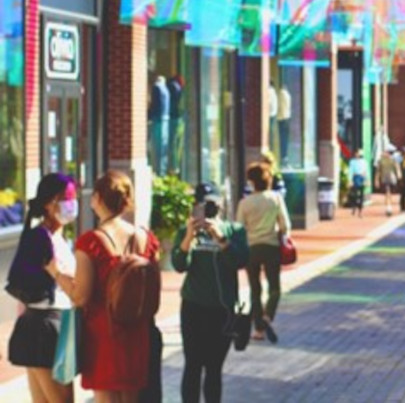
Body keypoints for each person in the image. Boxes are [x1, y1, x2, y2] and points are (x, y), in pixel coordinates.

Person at [48, 170, 161, 402]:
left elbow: (81, 297)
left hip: (104, 334)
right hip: (138, 332)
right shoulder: (146, 238)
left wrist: (56, 273)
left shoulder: (90, 242)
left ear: (97, 198)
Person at [172, 183, 249, 403]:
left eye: (213, 204)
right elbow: (179, 264)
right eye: (203, 204)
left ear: (222, 205)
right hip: (193, 306)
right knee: (193, 364)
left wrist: (221, 239)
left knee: (214, 367)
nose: (208, 209)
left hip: (222, 308)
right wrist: (189, 237)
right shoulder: (186, 232)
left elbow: (241, 260)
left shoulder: (234, 231)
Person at [7, 173, 77, 403]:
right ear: (49, 203)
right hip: (44, 327)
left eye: (73, 197)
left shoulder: (58, 237)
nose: (72, 203)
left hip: (52, 324)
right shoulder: (40, 237)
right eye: (66, 198)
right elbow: (24, 283)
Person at [236, 162, 291, 343]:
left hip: (251, 248)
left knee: (255, 289)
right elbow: (285, 225)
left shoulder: (244, 203)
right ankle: (268, 316)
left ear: (251, 181)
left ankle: (258, 329)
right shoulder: (275, 198)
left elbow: (239, 228)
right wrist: (283, 235)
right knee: (274, 287)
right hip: (271, 246)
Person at [376, 146, 400, 216]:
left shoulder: (393, 160)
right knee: (387, 192)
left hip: (392, 178)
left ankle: (389, 206)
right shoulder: (380, 161)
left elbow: (397, 168)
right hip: (384, 178)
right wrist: (376, 180)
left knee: (390, 193)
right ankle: (388, 208)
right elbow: (378, 171)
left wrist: (399, 175)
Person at [348, 149, 369, 217]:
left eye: (358, 154)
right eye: (356, 153)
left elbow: (366, 171)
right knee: (355, 194)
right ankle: (354, 207)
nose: (357, 155)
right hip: (355, 178)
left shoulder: (364, 162)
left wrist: (367, 180)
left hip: (361, 178)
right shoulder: (352, 162)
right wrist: (350, 180)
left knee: (361, 195)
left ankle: (360, 210)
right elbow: (350, 171)